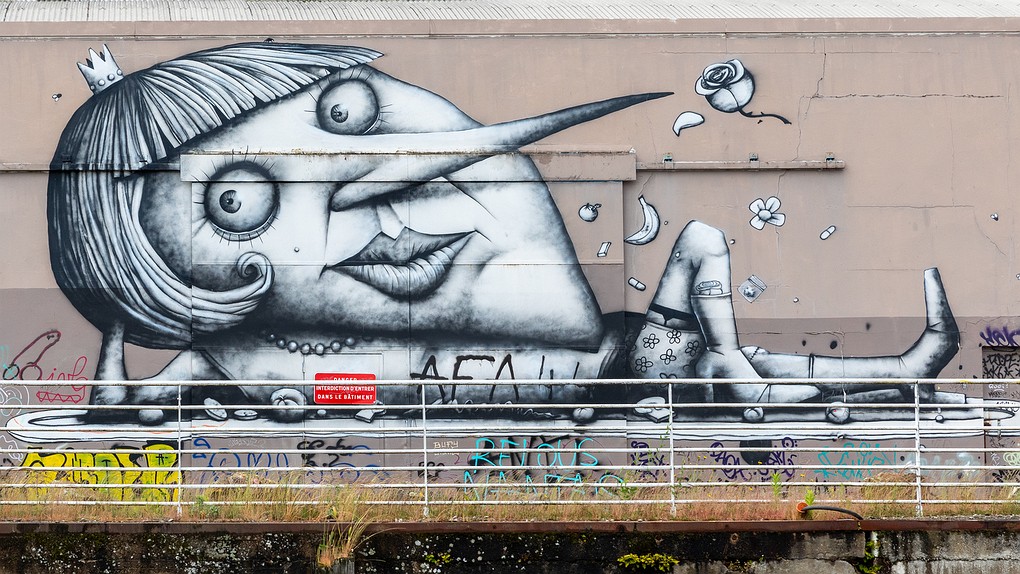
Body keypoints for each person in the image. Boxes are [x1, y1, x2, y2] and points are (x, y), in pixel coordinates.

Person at [49, 42, 959, 425]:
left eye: (348, 108)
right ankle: (882, 369)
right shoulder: (240, 357)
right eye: (234, 204)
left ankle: (878, 368)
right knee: (739, 361)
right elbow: (128, 404)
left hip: (620, 360)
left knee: (728, 328)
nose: (374, 200)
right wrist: (131, 345)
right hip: (616, 368)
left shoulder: (270, 358)